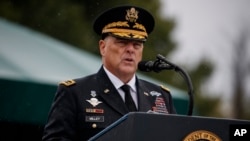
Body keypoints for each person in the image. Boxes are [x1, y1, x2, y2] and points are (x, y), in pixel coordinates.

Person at [42, 5, 176, 141]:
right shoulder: (74, 92)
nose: (130, 50)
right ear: (103, 47)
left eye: (137, 45)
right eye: (122, 43)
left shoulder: (160, 96)